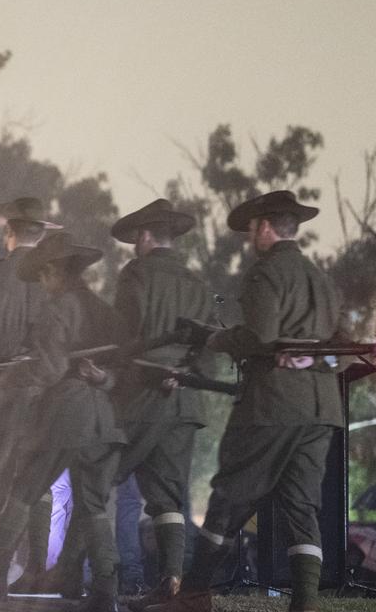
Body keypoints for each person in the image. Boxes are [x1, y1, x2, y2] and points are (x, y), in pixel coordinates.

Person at [150, 190, 341, 612]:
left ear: (267, 227)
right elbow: (338, 343)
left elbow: (259, 337)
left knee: (228, 496)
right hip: (321, 409)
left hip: (272, 404)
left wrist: (214, 337)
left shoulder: (266, 273)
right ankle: (305, 604)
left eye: (253, 228)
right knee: (302, 505)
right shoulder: (320, 278)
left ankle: (195, 595)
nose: (251, 236)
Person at [0, 232, 126, 612]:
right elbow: (121, 372)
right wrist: (103, 380)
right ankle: (106, 592)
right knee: (93, 506)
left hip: (61, 418)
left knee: (24, 492)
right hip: (101, 418)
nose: (42, 283)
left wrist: (11, 377)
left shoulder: (57, 309)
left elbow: (48, 368)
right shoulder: (105, 312)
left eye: (43, 275)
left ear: (56, 271)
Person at [108, 199, 217, 609]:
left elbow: (123, 338)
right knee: (169, 496)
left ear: (145, 235)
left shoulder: (134, 275)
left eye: (138, 236)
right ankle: (173, 580)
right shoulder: (196, 283)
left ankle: (95, 578)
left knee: (99, 476)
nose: (135, 243)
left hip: (141, 397)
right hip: (185, 403)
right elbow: (209, 349)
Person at [0, 197, 58, 583]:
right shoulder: (53, 278)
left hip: (2, 394)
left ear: (10, 233)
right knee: (37, 479)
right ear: (40, 234)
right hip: (42, 394)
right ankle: (38, 567)